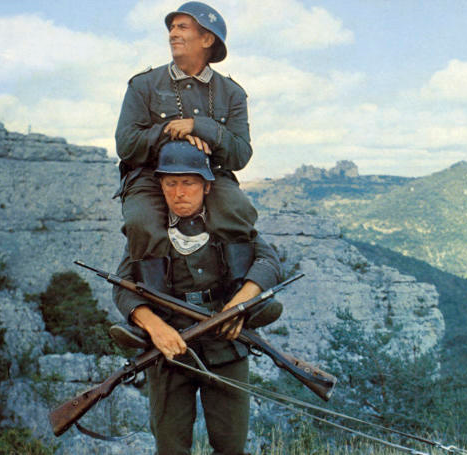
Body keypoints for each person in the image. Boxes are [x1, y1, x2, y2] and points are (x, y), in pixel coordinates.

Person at [113, 141, 281, 455]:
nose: (179, 193)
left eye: (188, 182)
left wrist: (239, 305)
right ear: (160, 186)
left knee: (231, 446)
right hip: (168, 349)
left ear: (206, 186)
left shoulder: (229, 223)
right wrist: (154, 327)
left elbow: (269, 262)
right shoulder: (147, 231)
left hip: (226, 342)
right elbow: (123, 286)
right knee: (170, 447)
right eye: (170, 183)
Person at [114, 1, 258, 287]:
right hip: (151, 175)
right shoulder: (144, 85)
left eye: (182, 27)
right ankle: (154, 296)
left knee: (237, 209)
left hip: (209, 175)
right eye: (172, 28)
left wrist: (201, 127)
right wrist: (170, 131)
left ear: (207, 39)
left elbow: (241, 154)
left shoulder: (232, 93)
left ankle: (240, 291)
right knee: (141, 220)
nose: (172, 34)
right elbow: (126, 145)